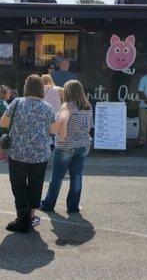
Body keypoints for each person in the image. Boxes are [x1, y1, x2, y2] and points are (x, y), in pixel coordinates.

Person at [0, 75, 56, 232]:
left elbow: (3, 123)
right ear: (40, 89)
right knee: (35, 185)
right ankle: (30, 217)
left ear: (26, 87)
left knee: (19, 186)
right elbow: (52, 130)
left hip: (18, 153)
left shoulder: (17, 103)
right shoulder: (48, 107)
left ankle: (22, 219)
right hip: (40, 155)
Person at [41, 80, 93, 213]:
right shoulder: (87, 107)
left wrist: (63, 136)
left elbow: (62, 121)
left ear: (68, 92)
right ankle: (73, 206)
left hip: (66, 147)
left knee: (57, 177)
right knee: (76, 175)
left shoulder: (67, 106)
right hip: (83, 145)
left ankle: (48, 204)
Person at [0, 85, 11, 163]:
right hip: (1, 126)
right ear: (4, 94)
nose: (10, 95)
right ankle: (1, 156)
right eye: (9, 93)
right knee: (2, 141)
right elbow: (5, 116)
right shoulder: (4, 104)